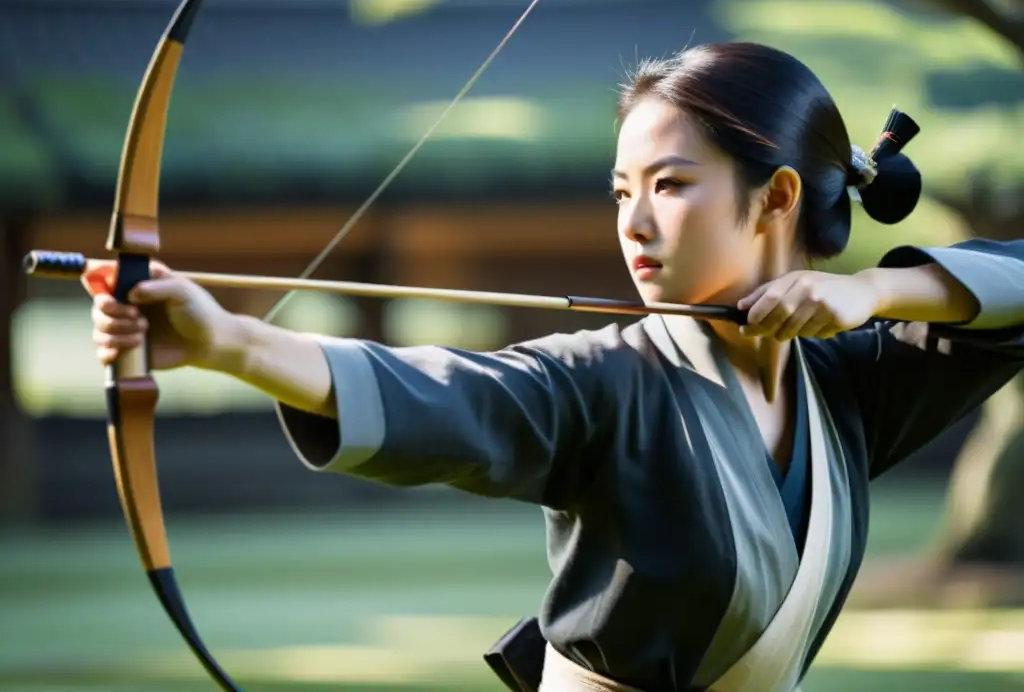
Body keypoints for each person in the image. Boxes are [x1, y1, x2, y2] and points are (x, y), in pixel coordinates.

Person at [86, 42, 1024, 692]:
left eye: (670, 185)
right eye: (622, 191)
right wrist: (228, 343)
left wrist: (875, 296)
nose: (634, 223)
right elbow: (461, 396)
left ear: (776, 195)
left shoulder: (851, 386)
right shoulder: (602, 380)